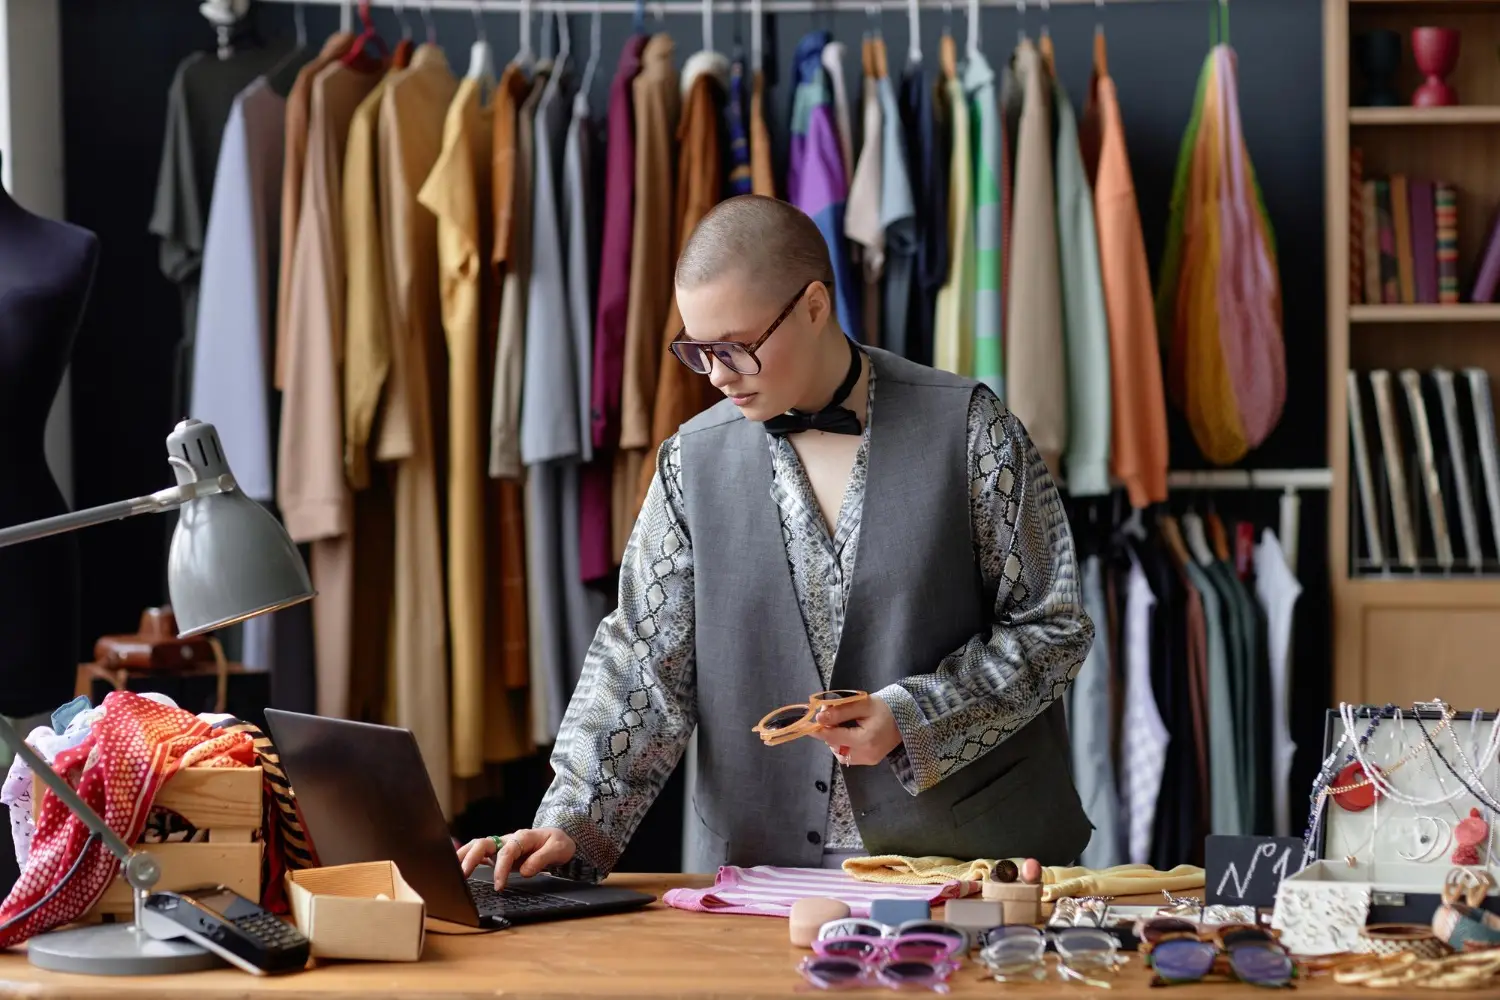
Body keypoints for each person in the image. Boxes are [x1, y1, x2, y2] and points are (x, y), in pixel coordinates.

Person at [457, 195, 1094, 887]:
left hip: (965, 866)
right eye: (698, 350)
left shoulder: (973, 428)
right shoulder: (686, 463)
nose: (718, 373)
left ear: (815, 305)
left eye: (736, 346)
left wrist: (915, 719)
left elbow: (1053, 626)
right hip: (756, 875)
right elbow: (643, 665)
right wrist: (570, 821)